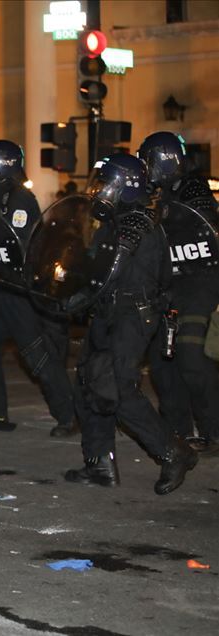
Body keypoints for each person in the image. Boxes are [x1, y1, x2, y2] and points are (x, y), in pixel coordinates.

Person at [64, 153, 198, 494]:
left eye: (106, 185)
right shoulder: (115, 223)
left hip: (133, 315)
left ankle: (173, 451)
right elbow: (97, 268)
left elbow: (128, 274)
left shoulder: (140, 225)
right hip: (108, 311)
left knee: (118, 389)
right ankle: (99, 463)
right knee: (88, 384)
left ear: (127, 187)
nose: (99, 192)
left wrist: (84, 298)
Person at [0, 140, 78, 437]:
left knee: (37, 356)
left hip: (17, 290)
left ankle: (70, 416)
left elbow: (17, 243)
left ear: (4, 166)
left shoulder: (19, 199)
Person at [140, 131, 219, 457]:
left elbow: (201, 222)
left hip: (198, 281)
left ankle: (213, 431)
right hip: (164, 286)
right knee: (161, 363)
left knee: (191, 359)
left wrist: (162, 210)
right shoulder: (147, 195)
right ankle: (178, 429)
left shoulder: (194, 188)